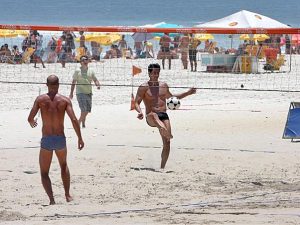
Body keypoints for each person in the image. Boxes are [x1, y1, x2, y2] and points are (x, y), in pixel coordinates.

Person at [27, 75, 84, 205]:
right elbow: (74, 120)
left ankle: (52, 199)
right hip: (60, 139)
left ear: (46, 85)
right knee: (63, 166)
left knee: (44, 172)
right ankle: (68, 195)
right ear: (58, 85)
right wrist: (80, 138)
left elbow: (30, 118)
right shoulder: (64, 100)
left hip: (47, 139)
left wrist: (33, 122)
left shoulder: (40, 99)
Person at [134, 63, 196, 169]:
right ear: (149, 73)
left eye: (158, 73)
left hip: (163, 115)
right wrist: (139, 112)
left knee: (167, 143)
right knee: (154, 115)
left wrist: (188, 93)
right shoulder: (143, 87)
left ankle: (162, 167)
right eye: (154, 73)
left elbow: (173, 97)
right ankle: (161, 127)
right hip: (151, 116)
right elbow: (136, 103)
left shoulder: (163, 85)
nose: (156, 75)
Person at [69, 55, 101, 128]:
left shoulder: (91, 70)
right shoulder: (77, 71)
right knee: (84, 109)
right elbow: (73, 82)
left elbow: (95, 79)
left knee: (87, 110)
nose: (85, 61)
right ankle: (78, 123)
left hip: (89, 92)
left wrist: (97, 85)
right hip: (80, 93)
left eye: (86, 59)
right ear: (80, 62)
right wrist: (71, 93)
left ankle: (83, 123)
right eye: (83, 60)